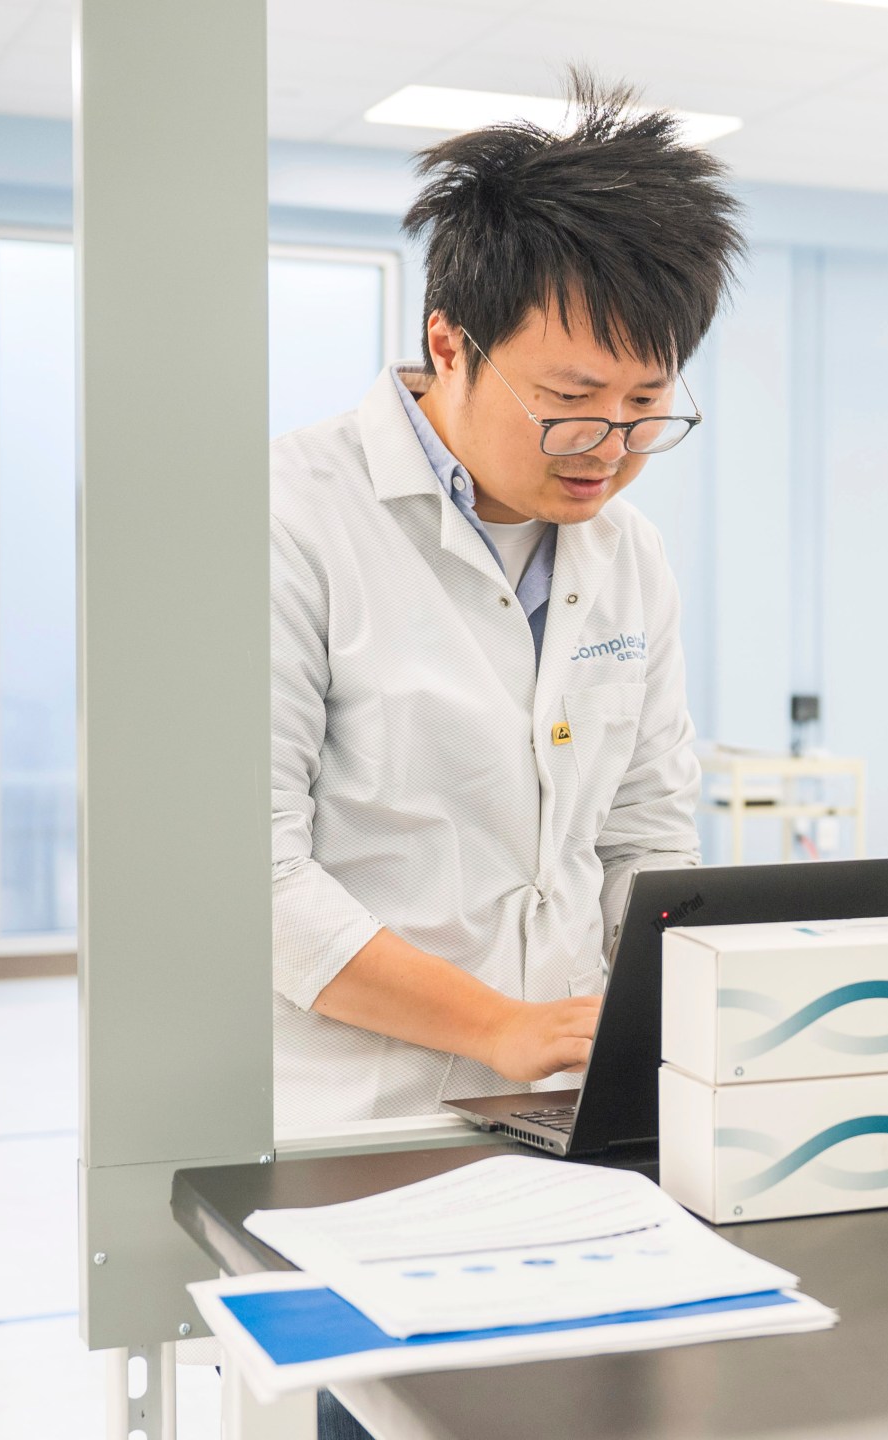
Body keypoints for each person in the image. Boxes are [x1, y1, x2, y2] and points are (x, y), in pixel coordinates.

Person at [268, 74, 743, 1126]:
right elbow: (251, 877)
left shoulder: (629, 555)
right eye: (570, 402)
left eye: (646, 404)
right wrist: (493, 1024)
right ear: (450, 344)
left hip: (568, 1103)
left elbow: (645, 836)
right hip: (355, 1114)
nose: (609, 449)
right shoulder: (289, 518)